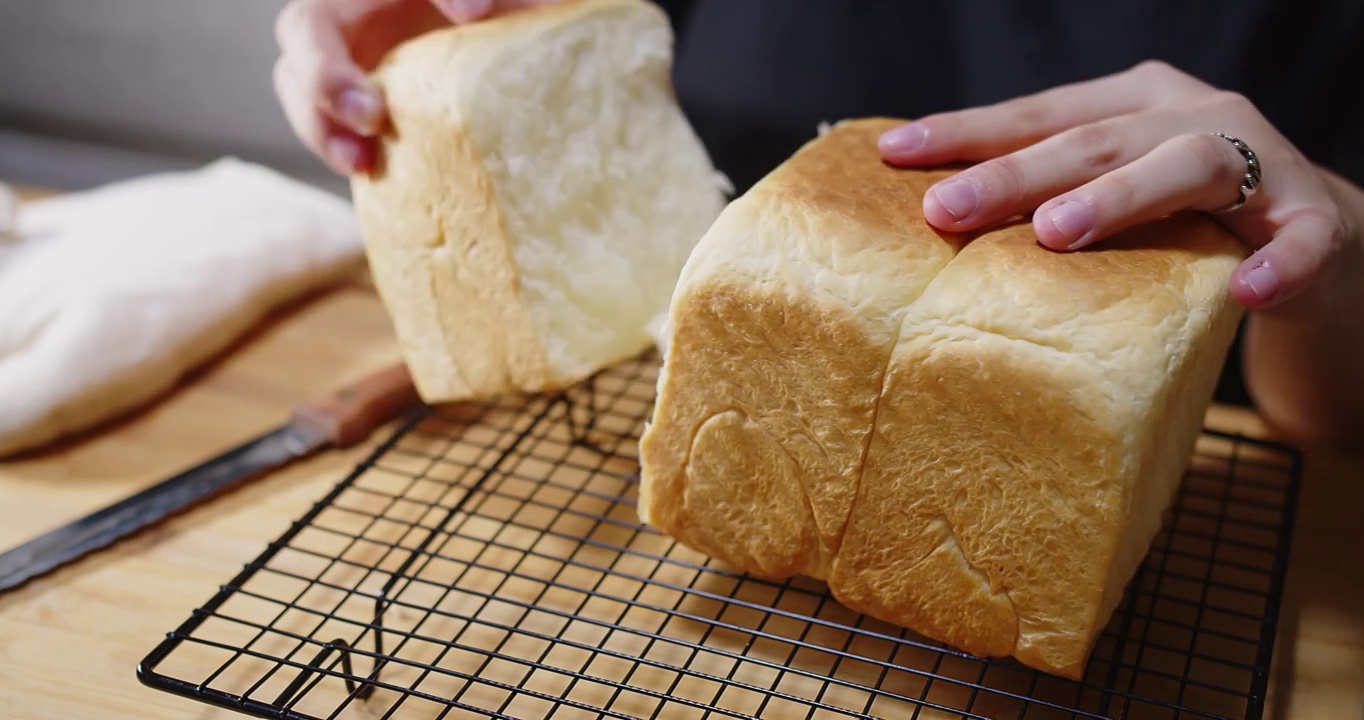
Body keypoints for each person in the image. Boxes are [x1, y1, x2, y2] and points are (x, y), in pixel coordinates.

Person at [271, 0, 1364, 447]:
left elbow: (1326, 423)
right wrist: (410, 49)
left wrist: (1334, 252)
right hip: (663, 430)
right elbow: (547, 48)